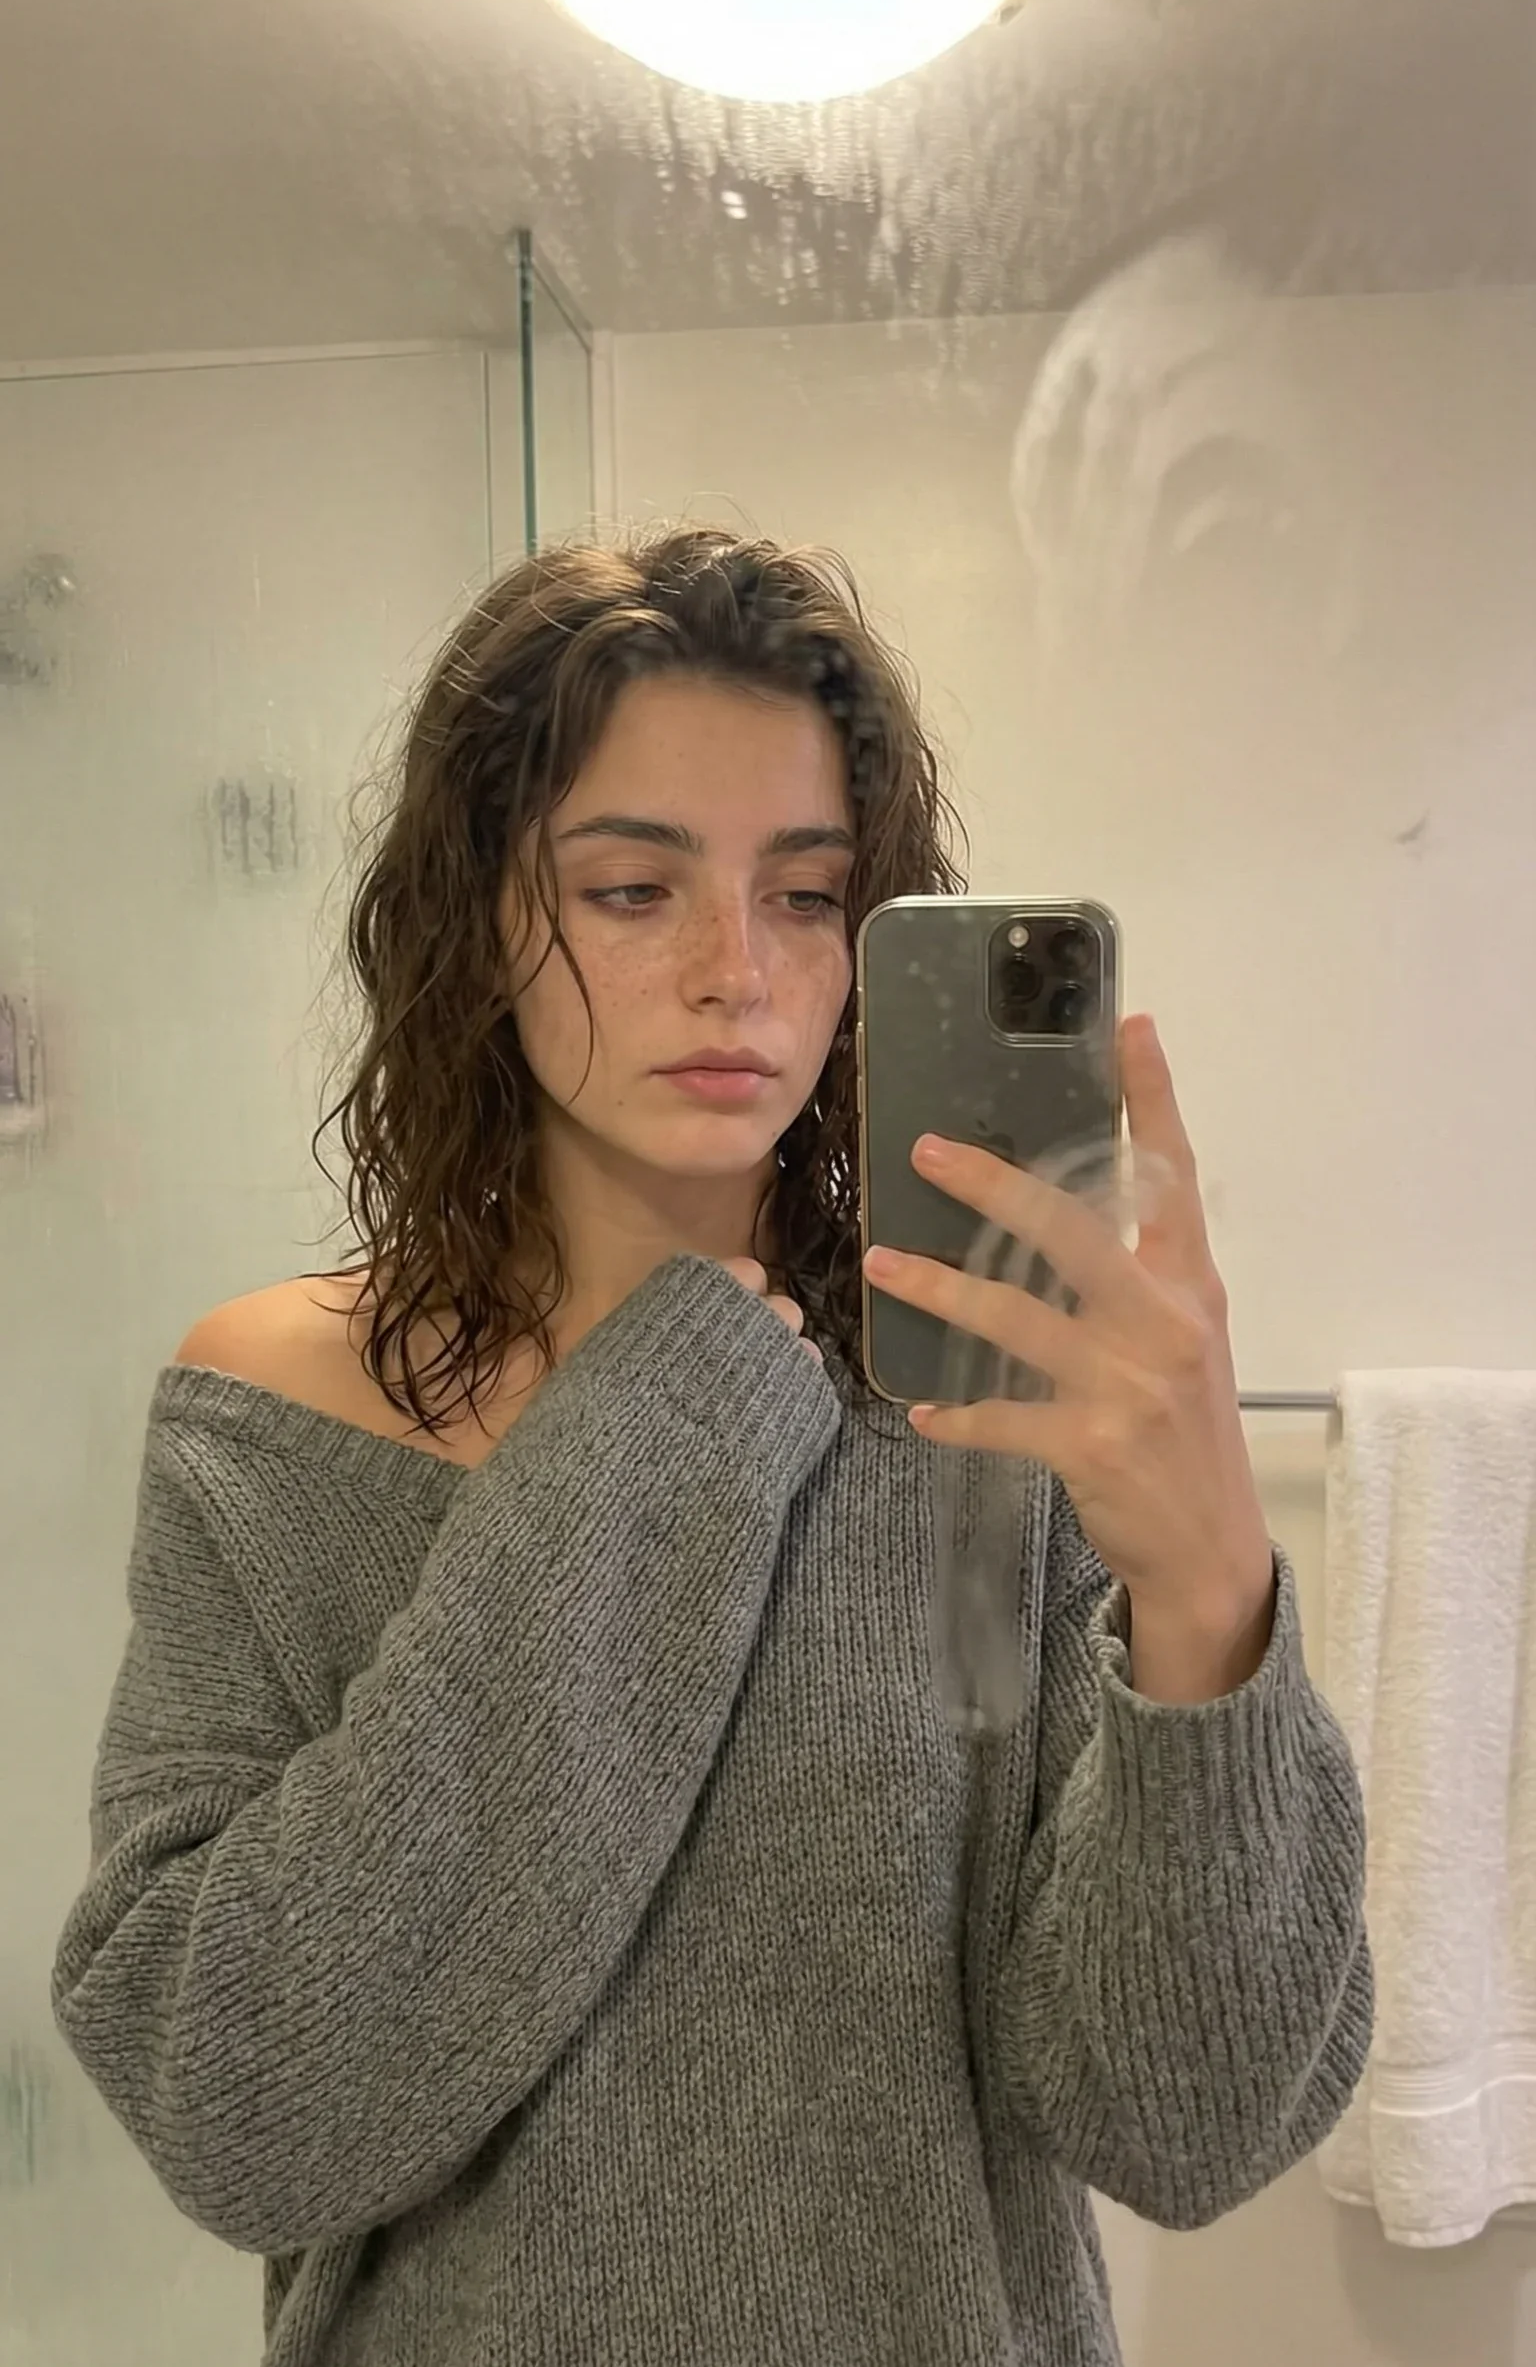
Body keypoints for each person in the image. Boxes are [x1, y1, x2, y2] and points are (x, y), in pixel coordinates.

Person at [51, 528, 1372, 2367]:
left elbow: (1180, 2123)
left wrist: (1211, 1595)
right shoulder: (277, 1420)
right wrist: (675, 1413)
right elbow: (240, 2110)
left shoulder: (985, 1421)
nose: (736, 971)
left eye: (807, 896)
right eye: (631, 889)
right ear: (478, 918)